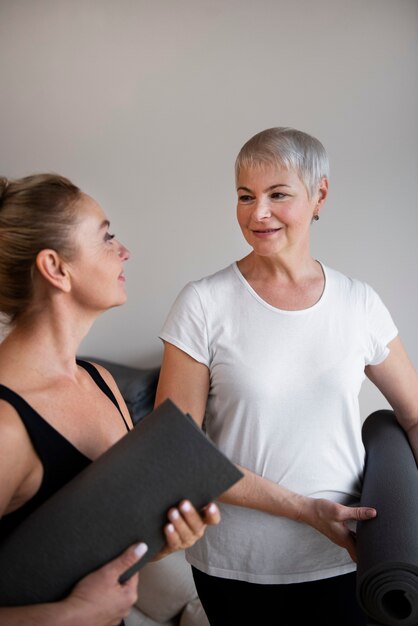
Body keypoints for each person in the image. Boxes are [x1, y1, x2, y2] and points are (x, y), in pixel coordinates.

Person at [154, 127, 418, 626]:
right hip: (237, 565)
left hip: (348, 559)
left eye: (278, 195)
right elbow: (176, 449)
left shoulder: (359, 303)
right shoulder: (203, 303)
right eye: (245, 196)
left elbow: (414, 415)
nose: (259, 214)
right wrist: (304, 509)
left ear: (319, 194)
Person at [0, 173, 220, 626]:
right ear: (56, 268)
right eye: (107, 237)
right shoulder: (5, 424)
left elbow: (94, 544)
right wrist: (68, 616)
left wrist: (163, 539)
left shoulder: (98, 380)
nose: (124, 252)